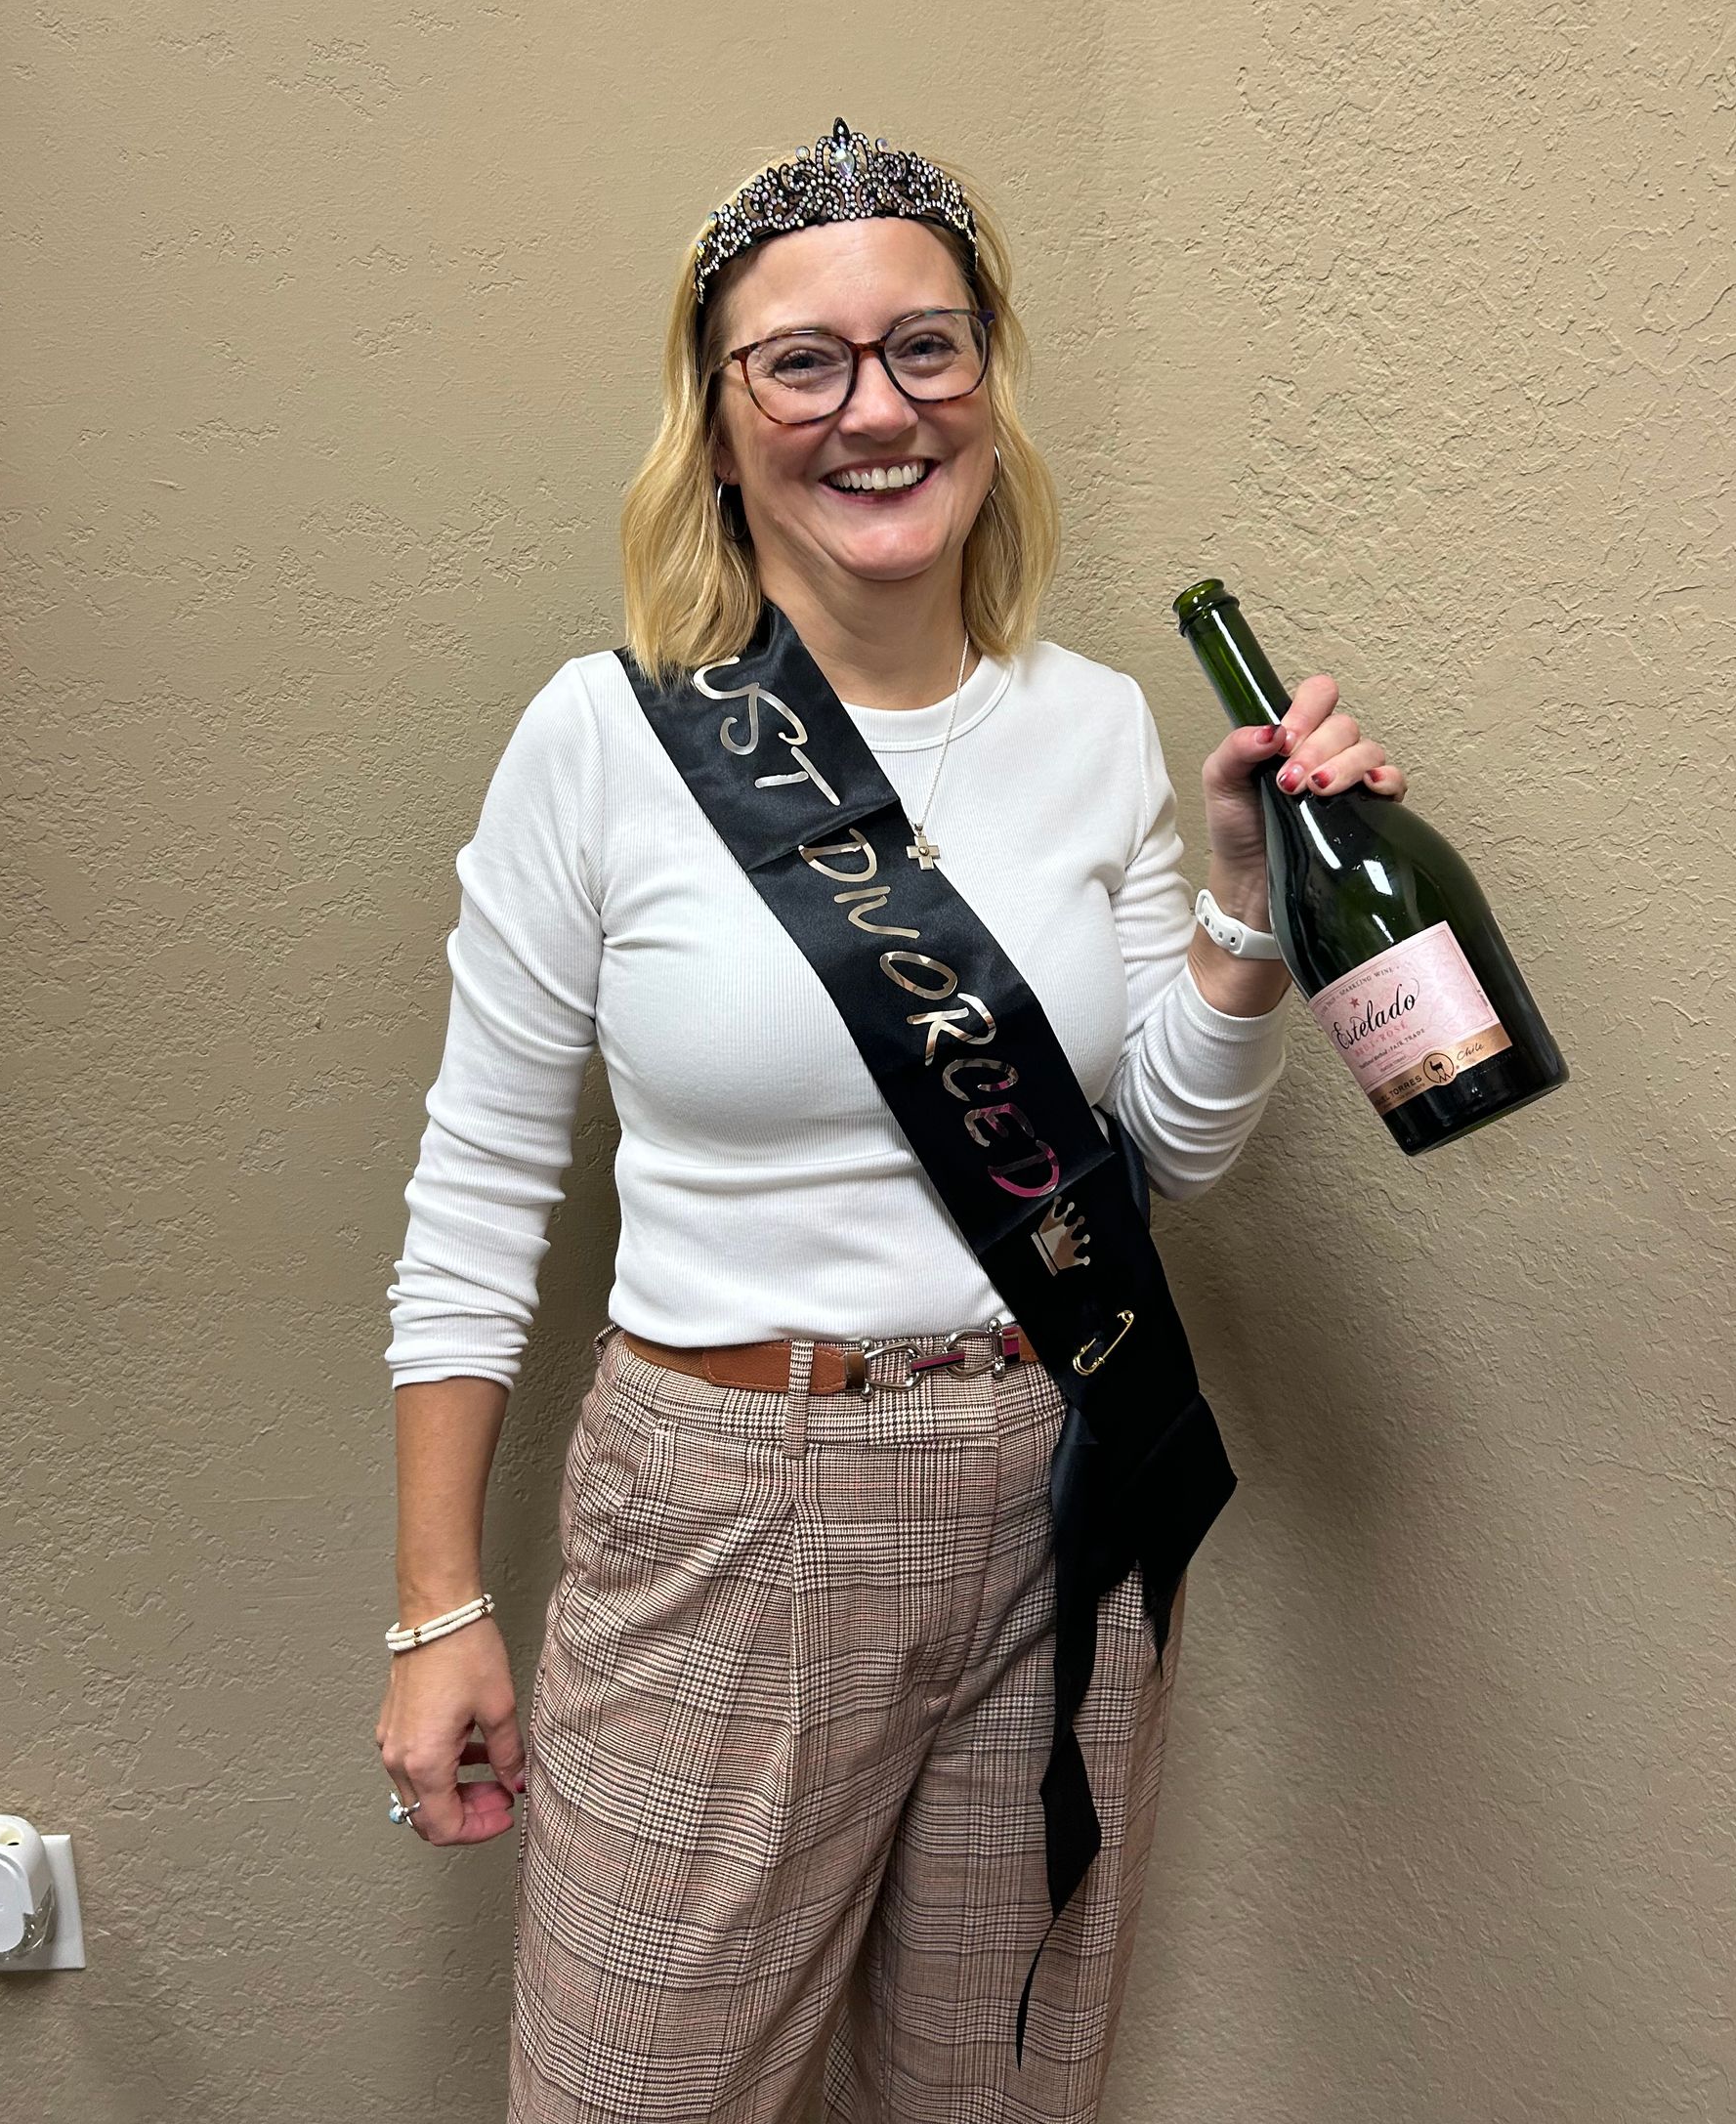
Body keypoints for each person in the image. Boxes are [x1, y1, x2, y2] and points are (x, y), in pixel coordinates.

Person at [374, 119, 1409, 2124]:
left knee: (998, 2087)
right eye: (806, 359)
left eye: (926, 348)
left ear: (988, 385)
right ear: (721, 412)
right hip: (722, 1497)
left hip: (1054, 1477)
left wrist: (1243, 911)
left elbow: (1159, 1158)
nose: (878, 407)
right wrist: (438, 1602)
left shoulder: (1095, 720)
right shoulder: (602, 738)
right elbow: (479, 1188)